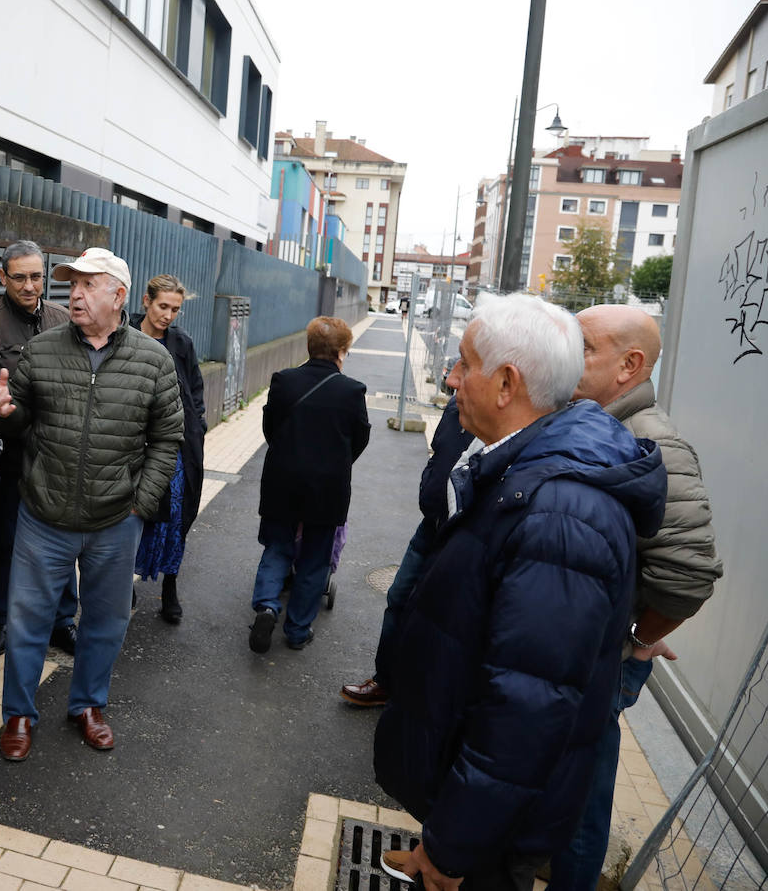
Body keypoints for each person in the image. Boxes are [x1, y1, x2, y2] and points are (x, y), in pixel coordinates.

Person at [373, 293, 667, 891]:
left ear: (506, 383)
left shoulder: (560, 514)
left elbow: (525, 705)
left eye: (463, 363)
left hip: (491, 835)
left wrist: (453, 846)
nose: (451, 377)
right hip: (483, 816)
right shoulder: (528, 469)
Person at [548, 304, 722, 891]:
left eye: (584, 347)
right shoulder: (586, 420)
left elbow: (689, 574)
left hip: (600, 663)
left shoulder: (654, 444)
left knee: (580, 791)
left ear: (630, 365)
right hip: (568, 657)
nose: (568, 356)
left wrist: (636, 641)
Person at [0, 247, 183, 761]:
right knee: (27, 621)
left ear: (119, 296)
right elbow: (18, 420)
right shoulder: (43, 349)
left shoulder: (153, 359)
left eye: (88, 284)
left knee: (105, 621)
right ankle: (19, 716)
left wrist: (141, 501)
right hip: (43, 514)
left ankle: (88, 705)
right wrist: (3, 413)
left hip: (116, 518)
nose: (73, 292)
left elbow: (168, 438)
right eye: (71, 283)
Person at [0, 240, 78, 656]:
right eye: (20, 277)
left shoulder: (63, 318)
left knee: (63, 536)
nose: (30, 285)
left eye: (36, 276)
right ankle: (2, 621)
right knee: (6, 542)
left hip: (57, 451)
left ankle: (62, 621)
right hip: (9, 453)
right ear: (2, 277)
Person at [248, 316, 371, 653]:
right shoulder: (352, 390)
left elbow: (269, 428)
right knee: (315, 559)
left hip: (281, 481)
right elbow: (360, 438)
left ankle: (267, 606)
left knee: (277, 548)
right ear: (342, 352)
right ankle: (298, 630)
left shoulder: (283, 381)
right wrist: (336, 464)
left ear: (309, 347)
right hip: (327, 489)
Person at [340, 398, 473, 706]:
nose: (452, 378)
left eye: (465, 364)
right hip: (431, 525)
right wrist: (429, 484)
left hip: (465, 534)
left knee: (446, 618)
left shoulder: (508, 413)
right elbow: (439, 452)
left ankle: (423, 697)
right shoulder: (457, 405)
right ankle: (385, 682)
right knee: (399, 597)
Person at [130, 274, 206, 623]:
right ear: (146, 301)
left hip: (175, 445)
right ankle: (124, 582)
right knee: (130, 515)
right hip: (131, 445)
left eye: (175, 309)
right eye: (163, 306)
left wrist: (198, 427)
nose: (168, 315)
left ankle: (169, 587)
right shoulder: (123, 334)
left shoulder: (182, 343)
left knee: (176, 517)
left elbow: (195, 391)